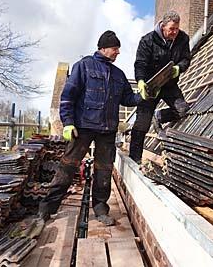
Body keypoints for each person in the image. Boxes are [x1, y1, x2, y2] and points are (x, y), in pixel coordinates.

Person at [38, 30, 143, 226]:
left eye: (118, 49)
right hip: (83, 127)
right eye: (115, 48)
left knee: (104, 170)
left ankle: (101, 209)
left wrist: (142, 95)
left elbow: (128, 99)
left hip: (107, 130)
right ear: (103, 48)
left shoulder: (118, 75)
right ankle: (46, 209)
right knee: (67, 167)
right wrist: (68, 122)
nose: (118, 52)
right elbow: (68, 95)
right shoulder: (83, 66)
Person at [129, 11, 191, 164]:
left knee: (182, 110)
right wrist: (141, 81)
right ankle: (134, 158)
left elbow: (186, 59)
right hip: (152, 86)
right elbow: (140, 64)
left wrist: (179, 68)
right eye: (171, 29)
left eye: (177, 28)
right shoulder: (148, 41)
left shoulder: (183, 39)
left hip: (169, 85)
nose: (175, 32)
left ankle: (159, 116)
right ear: (163, 26)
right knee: (142, 122)